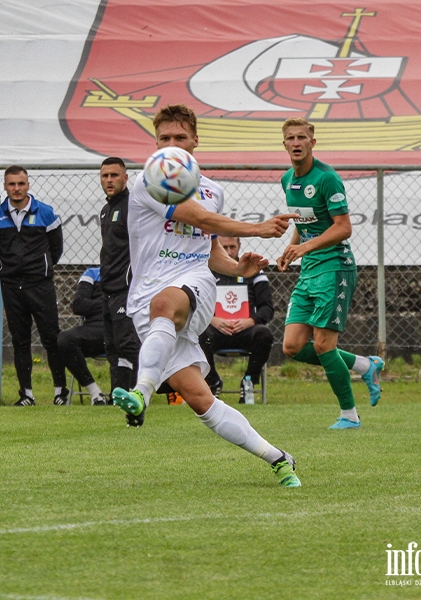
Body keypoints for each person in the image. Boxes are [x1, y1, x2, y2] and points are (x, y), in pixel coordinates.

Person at [110, 104, 303, 487]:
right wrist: (252, 239)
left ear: (195, 141)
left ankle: (141, 394)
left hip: (191, 284)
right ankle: (278, 458)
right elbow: (196, 221)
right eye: (164, 138)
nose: (172, 145)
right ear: (155, 142)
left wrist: (230, 270)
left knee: (166, 303)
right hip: (146, 295)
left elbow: (204, 244)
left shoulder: (213, 190)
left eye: (180, 137)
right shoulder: (148, 181)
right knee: (200, 400)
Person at [275, 116, 385, 430]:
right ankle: (366, 365)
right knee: (292, 346)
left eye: (301, 138)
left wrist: (305, 249)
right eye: (290, 138)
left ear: (312, 142)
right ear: (284, 143)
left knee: (324, 345)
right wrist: (291, 247)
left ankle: (349, 415)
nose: (296, 143)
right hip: (309, 271)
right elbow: (304, 223)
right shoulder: (287, 180)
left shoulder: (327, 178)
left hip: (334, 268)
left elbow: (343, 228)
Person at [0, 165, 68, 406]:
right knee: (19, 341)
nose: (17, 189)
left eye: (21, 184)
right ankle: (27, 395)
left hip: (40, 285)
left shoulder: (46, 213)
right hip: (11, 287)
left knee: (51, 339)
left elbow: (56, 249)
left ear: (28, 184)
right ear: (5, 186)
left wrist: (39, 269)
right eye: (12, 184)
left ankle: (60, 392)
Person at [199, 235, 275, 404]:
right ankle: (212, 382)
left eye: (232, 247)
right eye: (224, 248)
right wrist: (213, 320)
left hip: (245, 330)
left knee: (264, 334)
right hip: (217, 330)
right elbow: (196, 305)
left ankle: (249, 381)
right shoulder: (206, 271)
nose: (229, 251)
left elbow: (267, 308)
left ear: (239, 246)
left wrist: (251, 321)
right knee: (197, 334)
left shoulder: (254, 272)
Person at [98, 157, 140, 398]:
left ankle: (142, 389)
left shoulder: (131, 206)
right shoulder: (107, 210)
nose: (109, 180)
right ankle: (118, 392)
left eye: (114, 175)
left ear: (126, 178)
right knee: (112, 346)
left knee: (129, 344)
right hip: (108, 287)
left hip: (126, 287)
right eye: (105, 176)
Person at [56, 267, 109, 405]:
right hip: (93, 329)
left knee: (129, 342)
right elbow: (79, 305)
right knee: (64, 339)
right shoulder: (92, 273)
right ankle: (96, 394)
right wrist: (110, 305)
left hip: (121, 328)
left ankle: (122, 393)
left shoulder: (134, 271)